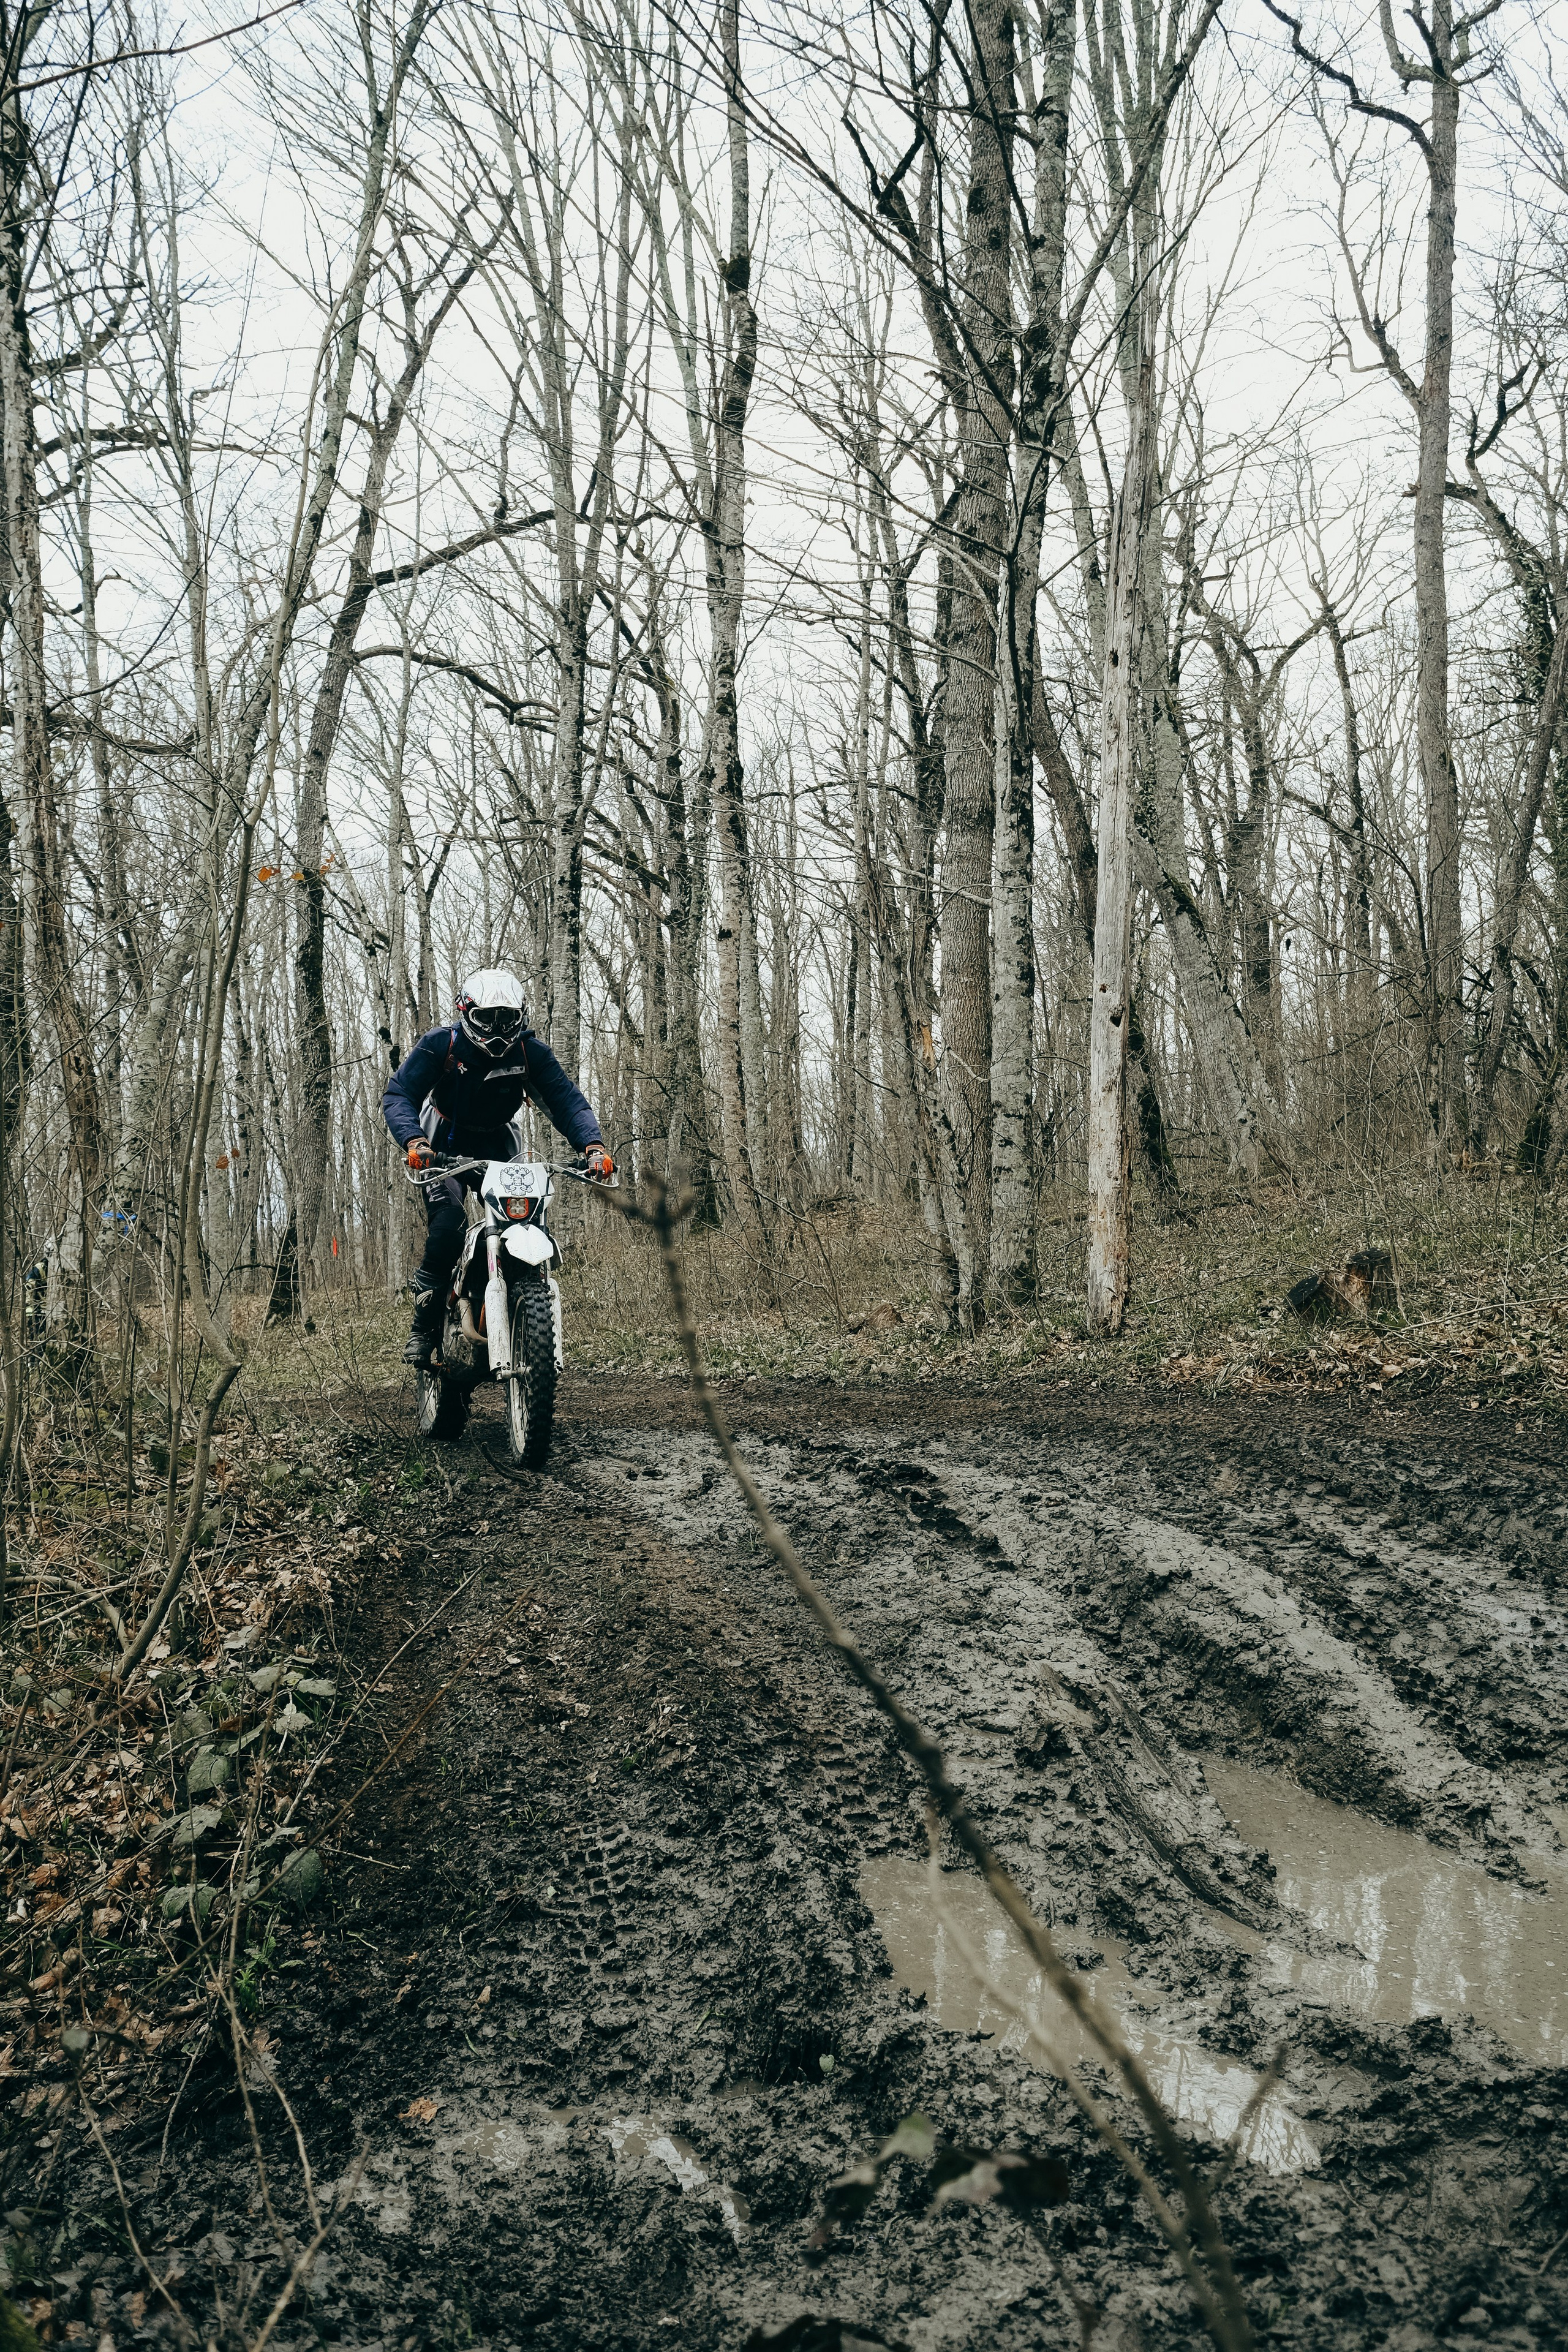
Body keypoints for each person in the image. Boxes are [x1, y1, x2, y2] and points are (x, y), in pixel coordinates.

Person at [382, 967, 613, 1365]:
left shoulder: (529, 1053)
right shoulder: (442, 1045)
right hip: (443, 1142)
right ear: (466, 1013)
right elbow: (399, 1093)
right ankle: (424, 1327)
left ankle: (515, 1305)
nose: (498, 1030)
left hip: (501, 1143)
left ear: (520, 1016)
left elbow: (566, 1101)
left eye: (507, 1020)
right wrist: (414, 1141)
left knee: (522, 1221)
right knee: (447, 1227)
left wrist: (593, 1147)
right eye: (487, 1019)